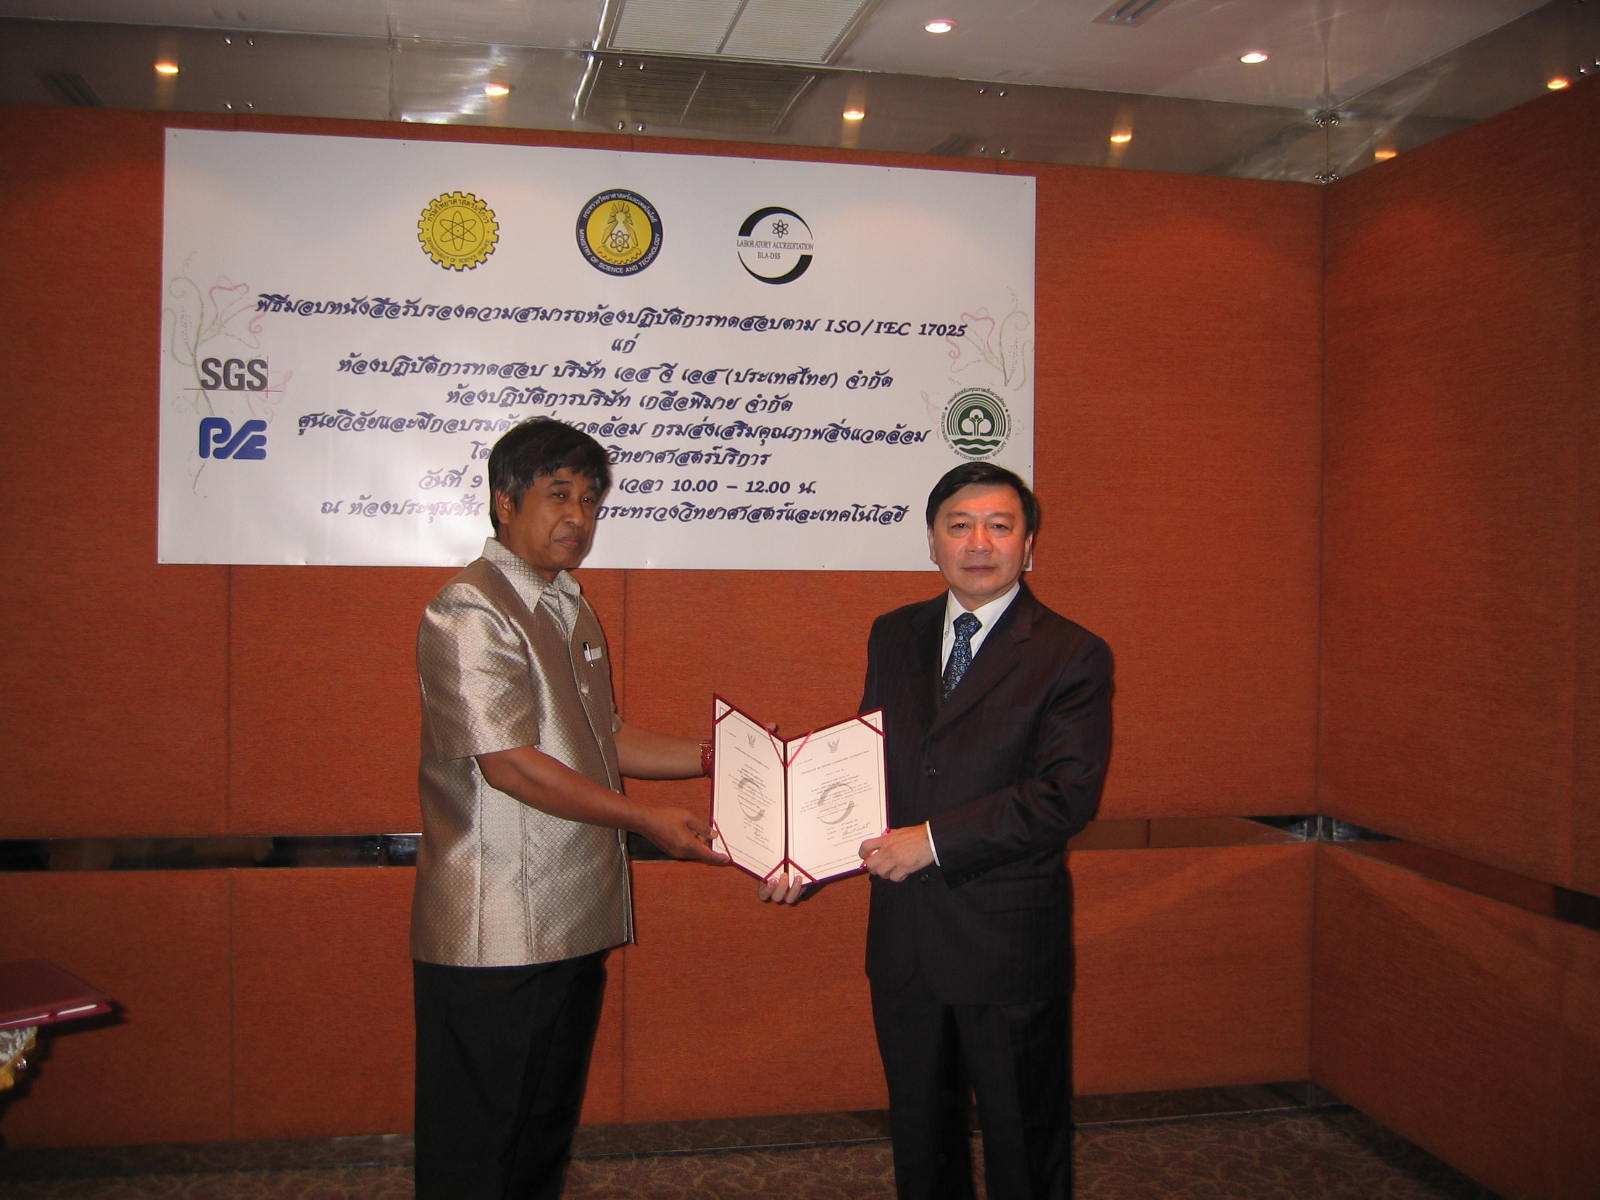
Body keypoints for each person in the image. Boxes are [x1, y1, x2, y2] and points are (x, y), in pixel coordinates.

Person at [764, 461, 1113, 1200]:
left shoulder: (1071, 652)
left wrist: (930, 841)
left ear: (1028, 545)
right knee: (921, 1136)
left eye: (999, 526)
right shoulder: (895, 634)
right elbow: (866, 769)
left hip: (1007, 939)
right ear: (932, 541)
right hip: (906, 938)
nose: (978, 543)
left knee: (1024, 1138)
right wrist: (803, 854)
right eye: (959, 526)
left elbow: (1064, 797)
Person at [410, 415, 726, 1200]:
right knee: (479, 1143)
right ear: (505, 501)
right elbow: (512, 766)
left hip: (571, 914)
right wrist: (645, 820)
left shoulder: (567, 606)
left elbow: (605, 738)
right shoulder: (471, 608)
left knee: (541, 1128)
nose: (577, 517)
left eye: (589, 500)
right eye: (558, 495)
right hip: (495, 925)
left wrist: (720, 757)